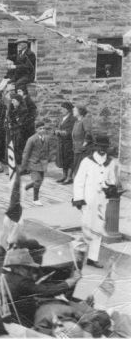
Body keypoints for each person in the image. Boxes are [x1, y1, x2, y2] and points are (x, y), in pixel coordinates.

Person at [2, 248, 81, 328]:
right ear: (18, 268)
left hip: (13, 313)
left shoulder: (7, 276)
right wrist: (70, 282)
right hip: (23, 320)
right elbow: (47, 291)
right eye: (28, 268)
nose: (30, 271)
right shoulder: (22, 282)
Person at [72, 135, 118, 269]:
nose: (102, 149)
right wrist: (78, 198)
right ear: (95, 147)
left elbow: (112, 180)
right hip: (87, 200)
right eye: (99, 147)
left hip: (101, 201)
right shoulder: (87, 161)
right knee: (86, 227)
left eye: (104, 147)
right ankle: (80, 254)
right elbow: (79, 181)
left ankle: (93, 257)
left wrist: (109, 186)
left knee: (98, 228)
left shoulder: (110, 162)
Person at [21, 121, 55, 206]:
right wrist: (24, 166)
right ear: (36, 130)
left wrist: (48, 159)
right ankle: (35, 199)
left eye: (43, 128)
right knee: (37, 181)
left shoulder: (46, 138)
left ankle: (25, 187)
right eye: (40, 128)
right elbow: (26, 153)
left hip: (42, 163)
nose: (42, 130)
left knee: (40, 181)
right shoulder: (31, 139)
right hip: (33, 162)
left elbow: (47, 150)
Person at [54, 102, 76, 184]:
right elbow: (56, 126)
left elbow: (72, 131)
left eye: (63, 108)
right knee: (62, 159)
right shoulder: (61, 118)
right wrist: (55, 131)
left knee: (69, 159)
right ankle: (64, 176)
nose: (61, 110)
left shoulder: (73, 119)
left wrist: (63, 132)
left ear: (68, 110)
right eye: (61, 108)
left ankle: (69, 177)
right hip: (61, 142)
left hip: (68, 142)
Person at [71, 106, 93, 180]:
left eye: (75, 110)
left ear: (80, 112)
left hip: (83, 149)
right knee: (76, 164)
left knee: (81, 165)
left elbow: (88, 133)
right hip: (76, 147)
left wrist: (84, 145)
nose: (73, 111)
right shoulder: (77, 121)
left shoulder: (84, 120)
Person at [7, 94, 28, 165]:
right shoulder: (13, 109)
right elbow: (10, 119)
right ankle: (15, 166)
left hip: (20, 132)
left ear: (18, 101)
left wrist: (12, 124)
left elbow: (20, 123)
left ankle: (22, 167)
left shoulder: (23, 110)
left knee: (19, 148)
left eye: (14, 101)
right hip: (14, 132)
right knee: (14, 148)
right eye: (12, 101)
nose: (12, 102)